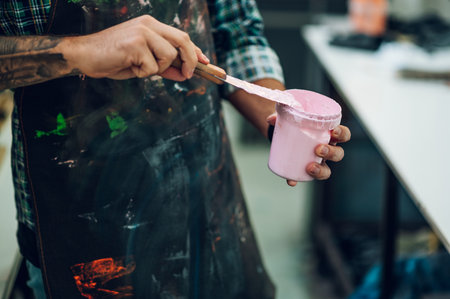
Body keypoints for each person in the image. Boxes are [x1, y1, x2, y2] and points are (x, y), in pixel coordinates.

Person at [0, 0, 351, 298]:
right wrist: (79, 51)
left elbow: (238, 32)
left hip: (207, 199)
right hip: (80, 228)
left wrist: (277, 117)